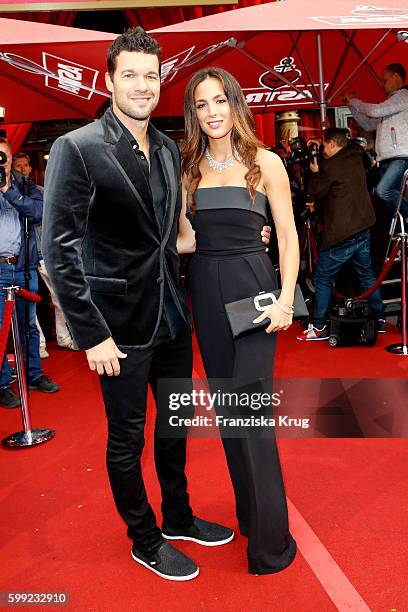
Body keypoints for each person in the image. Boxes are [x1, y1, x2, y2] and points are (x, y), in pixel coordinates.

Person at [42, 28, 243, 582]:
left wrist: (241, 238)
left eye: (150, 76)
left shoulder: (167, 147)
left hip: (172, 318)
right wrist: (92, 334)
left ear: (161, 82)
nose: (140, 85)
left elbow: (171, 237)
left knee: (176, 425)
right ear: (108, 81)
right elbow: (56, 252)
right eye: (128, 74)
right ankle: (144, 537)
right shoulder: (76, 148)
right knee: (127, 438)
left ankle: (177, 515)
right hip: (119, 329)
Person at [177, 67, 299, 575]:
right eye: (202, 104)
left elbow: (288, 237)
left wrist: (286, 300)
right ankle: (249, 513)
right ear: (194, 113)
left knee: (252, 421)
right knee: (231, 417)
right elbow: (185, 241)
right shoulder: (187, 169)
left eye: (220, 100)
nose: (212, 112)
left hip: (254, 294)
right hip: (205, 290)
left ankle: (271, 544)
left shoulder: (265, 162)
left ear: (235, 104)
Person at [296, 128, 385, 341]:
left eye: (325, 145)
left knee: (323, 278)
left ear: (333, 144)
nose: (324, 149)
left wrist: (316, 172)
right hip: (363, 228)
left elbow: (314, 192)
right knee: (367, 276)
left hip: (342, 233)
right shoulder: (356, 157)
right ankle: (379, 320)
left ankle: (318, 327)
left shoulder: (330, 167)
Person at [0, 138, 59, 410]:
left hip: (24, 267)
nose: (2, 162)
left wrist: (8, 191)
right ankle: (2, 385)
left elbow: (38, 212)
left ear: (11, 158)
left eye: (4, 157)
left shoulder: (25, 186)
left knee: (28, 327)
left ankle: (34, 375)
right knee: (0, 331)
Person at [12, 152, 76, 357]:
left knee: (60, 297)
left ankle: (64, 336)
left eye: (25, 165)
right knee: (29, 301)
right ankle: (38, 344)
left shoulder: (41, 192)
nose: (22, 169)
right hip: (22, 255)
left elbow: (49, 219)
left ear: (30, 168)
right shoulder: (9, 194)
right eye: (18, 165)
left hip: (45, 251)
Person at [344, 63, 408, 220]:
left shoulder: (403, 96)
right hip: (387, 159)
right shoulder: (391, 104)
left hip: (400, 157)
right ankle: (403, 227)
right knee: (387, 199)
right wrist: (351, 106)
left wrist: (354, 102)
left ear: (396, 77)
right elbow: (368, 123)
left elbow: (375, 111)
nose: (382, 84)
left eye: (384, 80)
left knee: (383, 191)